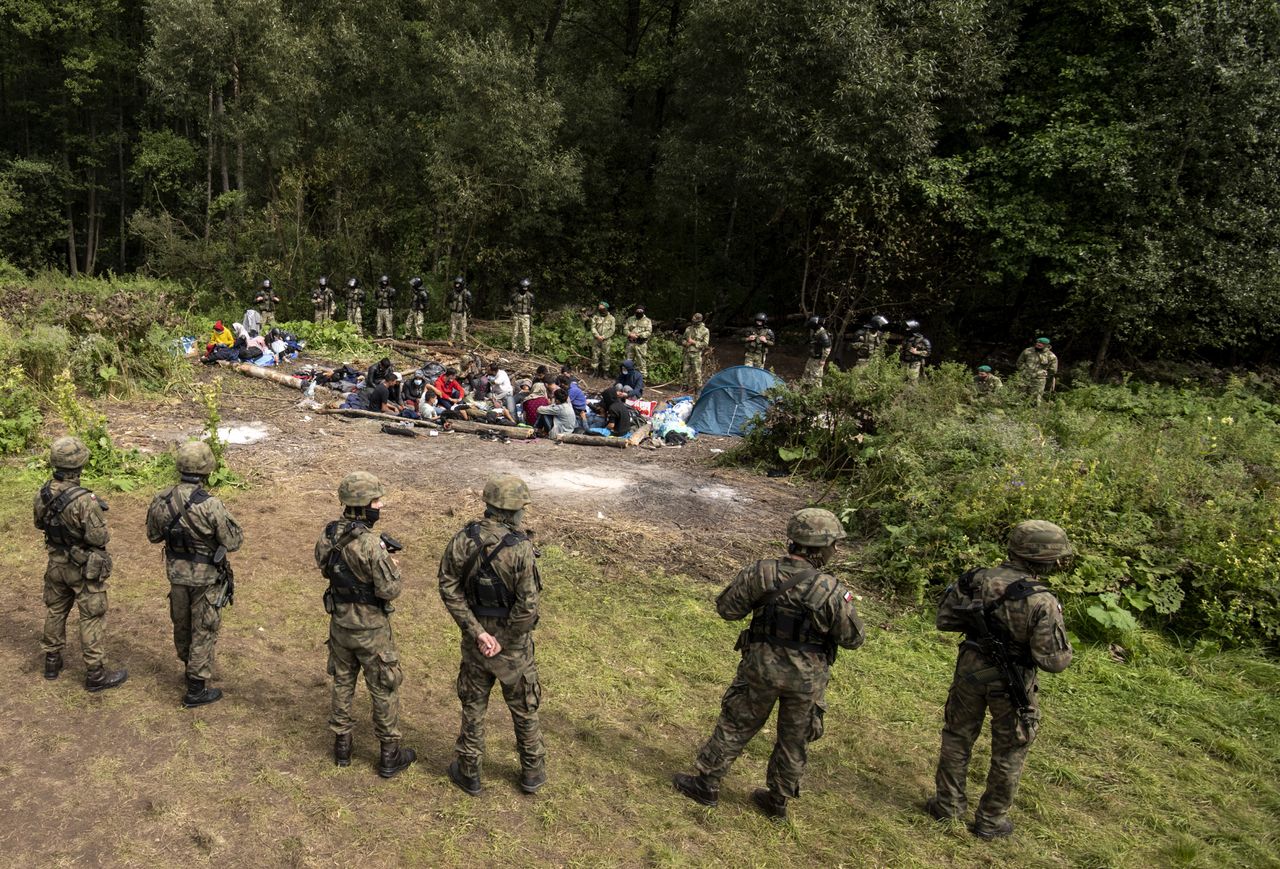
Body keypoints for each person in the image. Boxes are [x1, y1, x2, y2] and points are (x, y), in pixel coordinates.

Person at [673, 508, 865, 821]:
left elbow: (727, 609)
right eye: (834, 544)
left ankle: (706, 784)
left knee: (736, 723)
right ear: (821, 548)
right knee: (794, 738)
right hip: (807, 678)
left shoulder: (761, 572)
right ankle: (778, 801)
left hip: (761, 666)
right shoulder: (832, 592)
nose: (836, 550)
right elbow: (854, 639)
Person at [927, 521, 1075, 839]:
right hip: (1013, 681)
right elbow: (1054, 661)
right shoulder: (1042, 600)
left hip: (971, 668)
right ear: (1045, 558)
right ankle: (991, 821)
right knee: (1010, 749)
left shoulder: (976, 579)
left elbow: (945, 619)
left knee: (957, 737)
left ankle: (947, 805)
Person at [437, 475, 546, 795]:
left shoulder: (463, 539)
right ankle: (532, 771)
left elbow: (448, 587)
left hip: (476, 643)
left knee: (473, 706)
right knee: (524, 708)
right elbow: (528, 606)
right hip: (512, 648)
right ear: (511, 512)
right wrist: (504, 639)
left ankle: (469, 770)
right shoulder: (521, 549)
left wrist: (476, 632)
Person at [316, 471, 417, 777]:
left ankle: (342, 747)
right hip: (371, 629)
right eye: (376, 500)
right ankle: (389, 754)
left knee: (343, 682)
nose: (380, 505)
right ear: (362, 505)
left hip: (340, 624)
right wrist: (391, 567)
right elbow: (389, 590)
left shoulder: (329, 533)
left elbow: (325, 567)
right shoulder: (372, 544)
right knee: (384, 686)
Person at [145, 441, 243, 707]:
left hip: (176, 575)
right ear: (207, 469)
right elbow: (233, 541)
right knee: (204, 627)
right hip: (206, 577)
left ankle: (189, 667)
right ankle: (196, 689)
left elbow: (153, 536)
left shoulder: (161, 499)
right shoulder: (210, 505)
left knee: (182, 623)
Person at [33, 436, 129, 691]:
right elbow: (98, 537)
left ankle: (52, 661)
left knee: (55, 611)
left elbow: (39, 523)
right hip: (82, 568)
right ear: (80, 465)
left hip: (55, 564)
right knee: (91, 617)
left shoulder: (42, 492)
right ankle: (95, 674)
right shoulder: (85, 500)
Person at [1015, 337, 1058, 402]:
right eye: (1038, 342)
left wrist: (1042, 375)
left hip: (1038, 381)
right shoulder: (1027, 351)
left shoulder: (1051, 356)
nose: (1038, 344)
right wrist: (1024, 371)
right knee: (1018, 396)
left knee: (1035, 400)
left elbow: (1053, 370)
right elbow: (1019, 363)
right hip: (1024, 378)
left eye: (1041, 343)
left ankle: (1033, 411)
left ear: (1046, 345)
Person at [682, 313, 711, 392]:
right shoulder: (688, 329)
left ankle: (698, 388)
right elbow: (683, 339)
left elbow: (705, 344)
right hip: (687, 353)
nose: (693, 322)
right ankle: (685, 386)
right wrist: (686, 343)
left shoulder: (705, 330)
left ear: (699, 321)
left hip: (697, 354)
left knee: (697, 372)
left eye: (695, 320)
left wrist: (693, 342)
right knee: (685, 371)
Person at [622, 305, 654, 378]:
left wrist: (638, 335)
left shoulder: (647, 321)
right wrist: (630, 334)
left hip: (641, 345)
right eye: (637, 310)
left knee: (641, 362)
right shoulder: (630, 319)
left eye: (641, 311)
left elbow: (649, 332)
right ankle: (626, 377)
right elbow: (625, 329)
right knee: (628, 361)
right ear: (635, 311)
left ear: (643, 311)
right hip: (630, 343)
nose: (639, 312)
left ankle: (642, 379)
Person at [802, 316, 833, 387]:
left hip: (818, 359)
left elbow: (827, 348)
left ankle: (816, 394)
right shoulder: (817, 332)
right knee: (807, 373)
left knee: (816, 377)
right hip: (812, 357)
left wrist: (823, 360)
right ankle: (805, 390)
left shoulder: (823, 334)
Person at [589, 302, 616, 377]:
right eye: (599, 308)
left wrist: (603, 337)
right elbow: (593, 327)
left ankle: (605, 372)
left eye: (602, 308)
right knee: (595, 355)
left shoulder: (611, 318)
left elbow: (612, 330)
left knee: (606, 356)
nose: (600, 309)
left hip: (606, 341)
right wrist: (597, 336)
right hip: (596, 340)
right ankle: (594, 371)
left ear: (606, 309)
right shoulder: (595, 317)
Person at [510, 278, 534, 353]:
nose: (525, 289)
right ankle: (514, 348)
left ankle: (526, 349)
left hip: (526, 316)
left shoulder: (530, 296)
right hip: (516, 315)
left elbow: (532, 306)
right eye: (523, 287)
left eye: (526, 287)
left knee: (526, 332)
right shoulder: (514, 295)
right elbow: (511, 304)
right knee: (515, 332)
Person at [447, 276, 472, 345]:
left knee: (463, 329)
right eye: (456, 284)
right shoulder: (452, 293)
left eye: (458, 284)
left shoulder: (466, 293)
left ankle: (463, 343)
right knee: (452, 329)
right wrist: (451, 307)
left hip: (462, 314)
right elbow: (448, 301)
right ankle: (452, 342)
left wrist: (467, 310)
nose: (457, 286)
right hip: (453, 313)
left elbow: (470, 303)